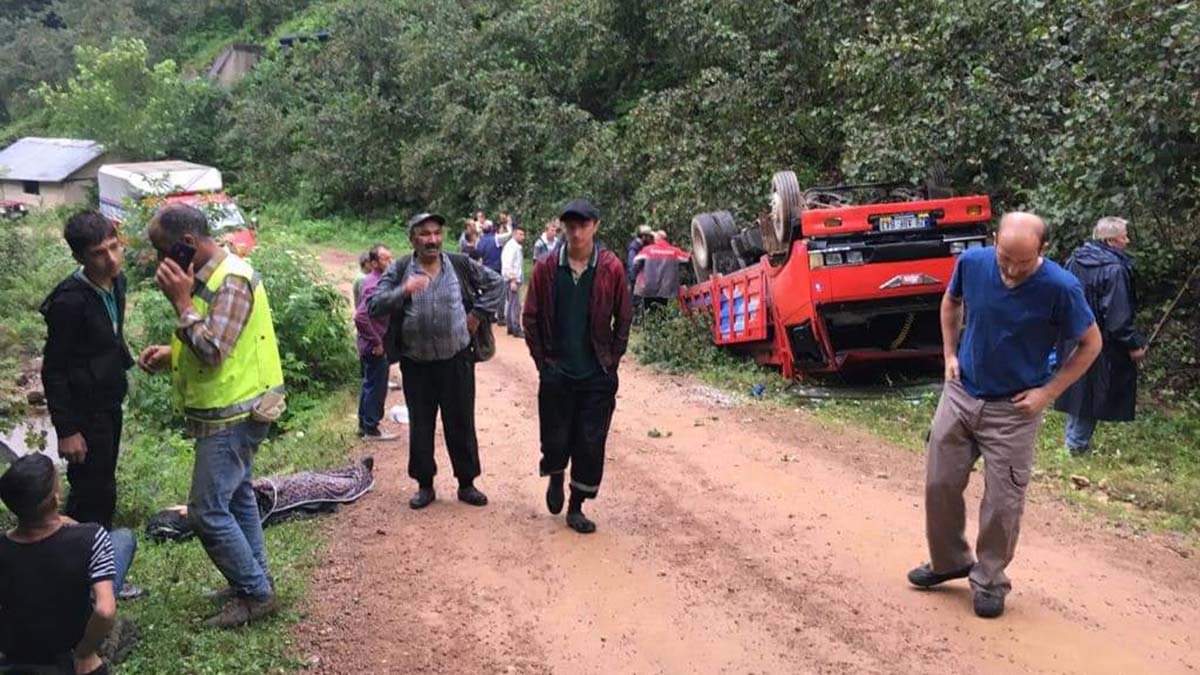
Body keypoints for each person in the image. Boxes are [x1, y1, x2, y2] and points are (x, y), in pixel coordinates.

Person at [908, 212, 1101, 619]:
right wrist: (949, 355)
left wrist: (1048, 393)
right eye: (1005, 259)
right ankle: (949, 562)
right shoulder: (973, 263)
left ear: (1043, 252)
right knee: (939, 483)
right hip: (962, 393)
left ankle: (990, 580)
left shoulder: (1061, 288)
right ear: (994, 241)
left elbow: (1091, 344)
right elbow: (950, 301)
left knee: (1002, 503)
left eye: (1023, 263)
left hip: (1014, 409)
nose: (1012, 271)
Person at [135, 204, 286, 629]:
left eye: (162, 250)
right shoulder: (206, 278)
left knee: (205, 511)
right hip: (227, 411)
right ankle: (253, 580)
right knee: (236, 500)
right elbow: (216, 339)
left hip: (235, 416)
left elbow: (216, 351)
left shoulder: (230, 279)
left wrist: (181, 302)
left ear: (186, 245)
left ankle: (256, 594)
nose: (160, 261)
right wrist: (172, 354)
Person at [368, 213, 503, 510]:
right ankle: (425, 485)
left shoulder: (459, 264)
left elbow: (496, 284)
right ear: (413, 239)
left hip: (456, 360)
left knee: (461, 423)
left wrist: (477, 315)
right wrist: (405, 290)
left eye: (436, 233)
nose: (432, 240)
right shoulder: (401, 268)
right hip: (417, 364)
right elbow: (374, 304)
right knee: (421, 425)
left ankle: (467, 484)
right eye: (425, 234)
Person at [523, 199, 633, 534]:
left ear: (595, 226)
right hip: (557, 372)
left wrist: (612, 361)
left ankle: (576, 506)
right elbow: (530, 317)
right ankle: (556, 477)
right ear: (561, 227)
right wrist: (543, 363)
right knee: (556, 437)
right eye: (569, 225)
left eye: (582, 225)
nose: (575, 231)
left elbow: (624, 316)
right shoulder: (546, 268)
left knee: (590, 441)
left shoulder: (611, 267)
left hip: (595, 373)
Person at [39, 210, 133, 532]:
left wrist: (127, 360)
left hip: (108, 400)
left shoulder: (117, 282)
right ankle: (86, 567)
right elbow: (54, 368)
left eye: (113, 247)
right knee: (93, 491)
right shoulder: (69, 302)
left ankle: (89, 561)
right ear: (79, 256)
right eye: (98, 253)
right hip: (83, 410)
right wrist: (66, 430)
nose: (110, 258)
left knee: (103, 482)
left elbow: (110, 333)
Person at [0, 453, 138, 674]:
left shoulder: (4, 546)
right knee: (123, 538)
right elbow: (104, 611)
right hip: (70, 648)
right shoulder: (92, 537)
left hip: (19, 651)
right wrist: (84, 653)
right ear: (56, 499)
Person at [1054, 216, 1147, 454]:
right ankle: (1075, 447)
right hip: (1101, 342)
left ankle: (1073, 443)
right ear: (1112, 240)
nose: (1127, 240)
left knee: (1080, 390)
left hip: (1073, 335)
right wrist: (1134, 344)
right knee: (1092, 393)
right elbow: (1118, 317)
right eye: (1124, 235)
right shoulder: (1115, 269)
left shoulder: (1076, 259)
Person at [354, 243, 396, 441]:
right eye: (385, 259)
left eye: (390, 258)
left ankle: (364, 425)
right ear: (373, 263)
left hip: (368, 343)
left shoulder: (377, 280)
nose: (390, 262)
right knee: (377, 385)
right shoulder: (374, 284)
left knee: (369, 383)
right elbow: (361, 316)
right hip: (373, 345)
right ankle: (372, 428)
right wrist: (376, 341)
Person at [632, 229, 691, 314]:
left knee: (648, 311)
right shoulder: (674, 251)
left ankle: (650, 325)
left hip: (649, 288)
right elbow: (687, 259)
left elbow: (635, 263)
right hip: (666, 289)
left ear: (656, 239)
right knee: (662, 312)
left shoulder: (647, 250)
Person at [501, 224, 527, 337]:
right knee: (515, 305)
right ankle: (516, 328)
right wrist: (512, 279)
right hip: (512, 279)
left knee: (512, 303)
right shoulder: (511, 247)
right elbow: (508, 264)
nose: (523, 237)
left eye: (523, 234)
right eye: (520, 234)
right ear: (514, 234)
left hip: (514, 278)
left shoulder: (515, 246)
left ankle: (511, 327)